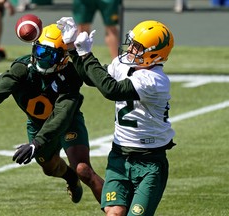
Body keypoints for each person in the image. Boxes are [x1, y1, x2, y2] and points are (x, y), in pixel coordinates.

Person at [0, 23, 104, 204]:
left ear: (63, 58)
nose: (42, 58)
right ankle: (70, 178)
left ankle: (116, 210)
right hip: (37, 124)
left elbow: (62, 115)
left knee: (84, 170)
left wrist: (36, 143)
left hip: (68, 123)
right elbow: (7, 80)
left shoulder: (71, 77)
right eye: (41, 51)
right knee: (49, 168)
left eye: (50, 55)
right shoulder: (24, 66)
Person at [57, 17, 176, 215]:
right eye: (132, 44)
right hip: (119, 154)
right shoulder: (123, 65)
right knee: (114, 212)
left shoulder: (155, 80)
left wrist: (87, 55)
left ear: (154, 54)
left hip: (149, 160)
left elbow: (111, 90)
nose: (130, 50)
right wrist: (72, 48)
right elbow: (92, 78)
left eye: (138, 47)